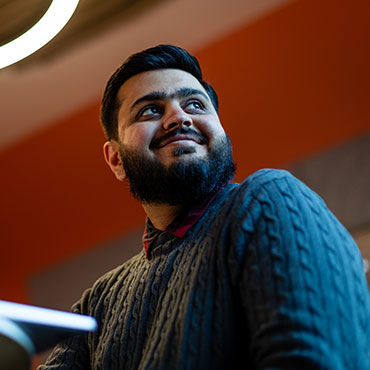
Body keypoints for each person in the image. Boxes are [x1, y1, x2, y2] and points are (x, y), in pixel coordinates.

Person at [39, 45, 370, 369]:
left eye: (195, 105)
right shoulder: (97, 302)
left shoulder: (270, 200)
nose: (179, 118)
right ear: (115, 159)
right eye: (150, 110)